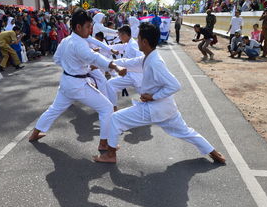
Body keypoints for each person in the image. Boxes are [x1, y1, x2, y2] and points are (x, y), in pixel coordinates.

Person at [93, 23, 225, 164]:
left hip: (154, 108)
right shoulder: (148, 57)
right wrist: (104, 63)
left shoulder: (155, 62)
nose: (137, 41)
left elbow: (175, 85)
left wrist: (153, 97)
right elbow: (127, 62)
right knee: (186, 131)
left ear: (144, 42)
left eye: (139, 39)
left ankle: (110, 155)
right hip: (167, 108)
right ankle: (214, 153)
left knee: (115, 119)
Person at [29, 8, 127, 152]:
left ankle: (34, 134)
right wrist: (115, 66)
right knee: (106, 108)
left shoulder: (66, 40)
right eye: (88, 27)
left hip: (67, 82)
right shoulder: (79, 43)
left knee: (54, 109)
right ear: (78, 27)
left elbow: (57, 59)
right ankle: (104, 143)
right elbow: (95, 58)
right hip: (77, 85)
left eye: (91, 26)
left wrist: (73, 66)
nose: (90, 29)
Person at [106, 25, 143, 111]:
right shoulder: (128, 44)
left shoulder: (133, 45)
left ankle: (113, 108)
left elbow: (140, 58)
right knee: (145, 96)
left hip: (134, 75)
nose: (119, 37)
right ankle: (113, 107)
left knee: (110, 84)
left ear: (125, 35)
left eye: (119, 35)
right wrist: (102, 48)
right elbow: (116, 47)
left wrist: (127, 65)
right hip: (132, 74)